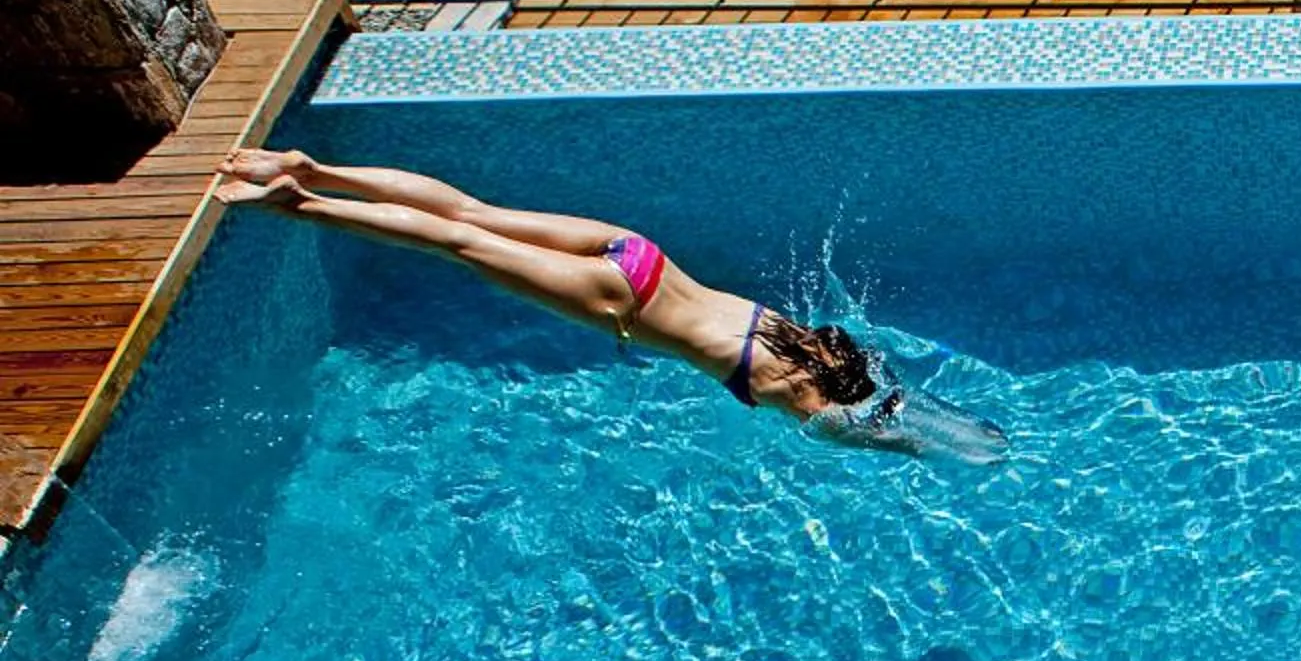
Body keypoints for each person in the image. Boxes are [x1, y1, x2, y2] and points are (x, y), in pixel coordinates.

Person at [212, 149, 1001, 458]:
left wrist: (914, 401)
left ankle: (311, 168)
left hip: (638, 252)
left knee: (473, 213)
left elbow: (869, 376)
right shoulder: (791, 394)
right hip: (617, 297)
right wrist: (925, 444)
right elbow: (854, 436)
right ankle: (298, 204)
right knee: (455, 245)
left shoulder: (800, 340)